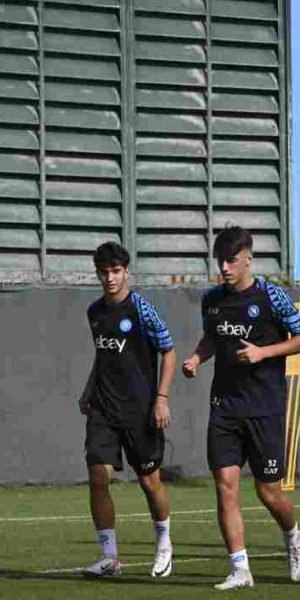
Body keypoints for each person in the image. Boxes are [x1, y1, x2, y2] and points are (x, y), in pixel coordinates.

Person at [182, 227, 300, 590]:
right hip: (224, 406)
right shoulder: (212, 300)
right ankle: (240, 569)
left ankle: (293, 536)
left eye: (231, 261)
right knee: (226, 485)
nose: (224, 268)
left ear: (248, 260)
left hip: (265, 407)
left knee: (268, 491)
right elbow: (212, 337)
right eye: (219, 261)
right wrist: (196, 358)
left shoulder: (272, 296)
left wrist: (263, 353)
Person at [79, 241, 177, 578]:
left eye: (115, 271)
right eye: (103, 272)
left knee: (150, 482)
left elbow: (169, 351)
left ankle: (164, 543)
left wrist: (161, 398)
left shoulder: (142, 310)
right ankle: (109, 556)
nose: (109, 278)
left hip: (141, 411)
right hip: (104, 408)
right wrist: (89, 389)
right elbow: (103, 356)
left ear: (126, 272)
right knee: (98, 476)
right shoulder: (95, 312)